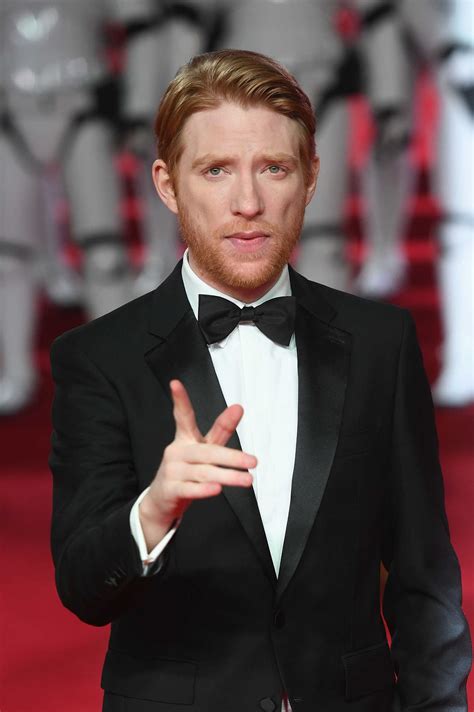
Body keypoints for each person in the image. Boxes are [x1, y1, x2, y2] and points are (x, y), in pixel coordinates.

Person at [49, 49, 471, 711]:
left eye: (273, 168)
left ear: (309, 177)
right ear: (167, 183)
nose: (248, 202)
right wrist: (153, 509)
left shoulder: (381, 344)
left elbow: (425, 580)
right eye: (216, 170)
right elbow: (82, 586)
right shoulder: (100, 357)